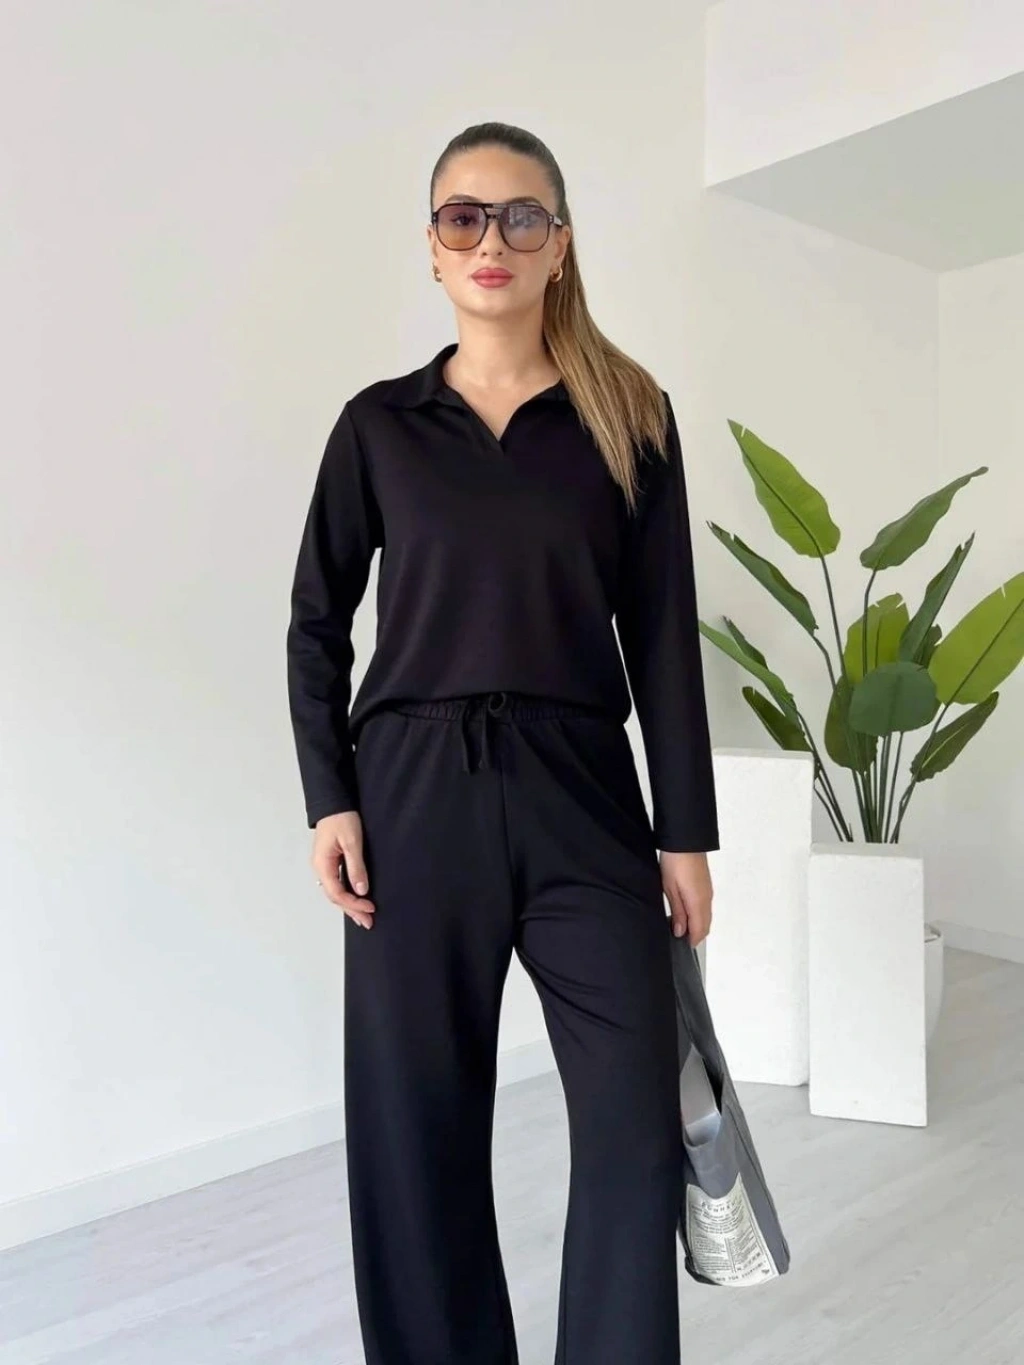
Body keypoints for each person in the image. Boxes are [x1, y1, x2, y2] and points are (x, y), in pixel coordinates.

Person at [285, 121, 719, 1365]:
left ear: (560, 244)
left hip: (584, 792)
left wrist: (684, 833)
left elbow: (663, 635)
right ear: (432, 248)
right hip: (412, 796)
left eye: (522, 216)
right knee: (415, 1134)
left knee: (635, 1123)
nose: (492, 240)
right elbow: (316, 621)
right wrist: (330, 798)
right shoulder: (379, 427)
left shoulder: (629, 416)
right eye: (463, 217)